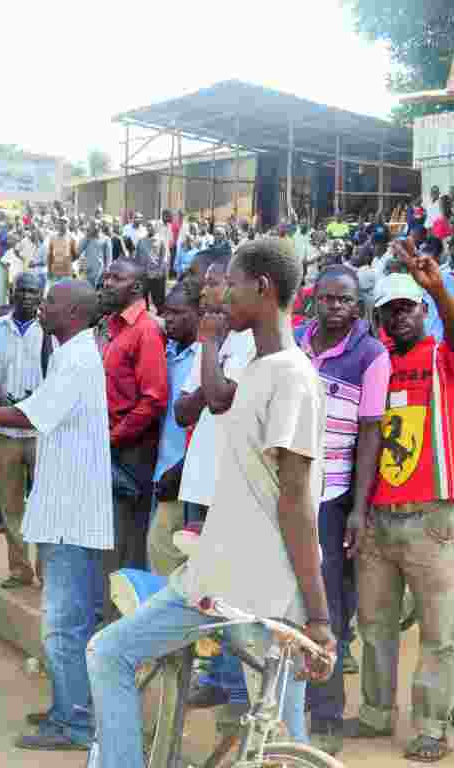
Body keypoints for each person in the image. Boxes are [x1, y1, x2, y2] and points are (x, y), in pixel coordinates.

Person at [87, 237, 335, 768]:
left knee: (283, 743)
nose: (220, 298)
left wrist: (319, 616)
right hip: (214, 577)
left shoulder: (293, 378)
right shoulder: (257, 370)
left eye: (234, 286)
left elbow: (295, 503)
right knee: (109, 651)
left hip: (263, 593)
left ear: (263, 289)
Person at [0, 280, 111, 751]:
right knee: (70, 622)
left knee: (62, 624)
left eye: (49, 300)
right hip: (68, 510)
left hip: (73, 514)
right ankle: (66, 709)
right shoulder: (73, 353)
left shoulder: (76, 358)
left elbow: (29, 416)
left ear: (70, 311)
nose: (40, 306)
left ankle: (74, 724)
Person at [347, 239, 454, 763]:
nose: (398, 317)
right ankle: (376, 713)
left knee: (438, 630)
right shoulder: (375, 365)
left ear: (423, 313)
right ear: (378, 318)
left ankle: (430, 726)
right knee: (374, 625)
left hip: (432, 519)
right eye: (389, 311)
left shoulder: (447, 360)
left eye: (407, 308)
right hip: (378, 519)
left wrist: (437, 287)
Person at [294, 265, 390, 756]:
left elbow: (370, 434)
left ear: (358, 306)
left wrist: (358, 508)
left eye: (345, 300)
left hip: (331, 499)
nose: (335, 307)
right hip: (287, 493)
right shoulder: (294, 341)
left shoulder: (370, 355)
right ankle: (285, 707)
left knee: (326, 608)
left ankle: (326, 712)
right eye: (327, 298)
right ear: (314, 300)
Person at [173, 250, 256, 718]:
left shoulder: (247, 344)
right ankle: (218, 678)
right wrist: (210, 364)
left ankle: (239, 690)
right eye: (204, 283)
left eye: (214, 282)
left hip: (232, 485)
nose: (205, 290)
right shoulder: (216, 342)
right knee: (203, 587)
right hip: (200, 481)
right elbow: (184, 411)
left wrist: (208, 350)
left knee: (234, 592)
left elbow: (221, 400)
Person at [0, 274, 47, 588]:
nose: (28, 296)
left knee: (45, 503)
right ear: (13, 293)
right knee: (10, 503)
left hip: (42, 431)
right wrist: (7, 406)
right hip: (5, 430)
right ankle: (20, 570)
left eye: (34, 292)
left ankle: (47, 572)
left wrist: (34, 405)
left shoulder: (51, 330)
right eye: (23, 290)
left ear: (41, 296)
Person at [99, 260, 168, 581]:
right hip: (113, 443)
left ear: (137, 288)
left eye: (117, 278)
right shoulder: (113, 327)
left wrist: (114, 437)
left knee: (126, 540)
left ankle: (120, 618)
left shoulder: (146, 330)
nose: (107, 282)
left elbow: (153, 398)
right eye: (107, 276)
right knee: (109, 537)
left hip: (131, 451)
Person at [145, 282, 200, 577]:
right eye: (167, 313)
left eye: (179, 313)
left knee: (165, 555)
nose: (170, 319)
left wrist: (179, 470)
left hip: (183, 476)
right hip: (160, 470)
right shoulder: (166, 351)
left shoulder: (204, 358)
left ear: (198, 314)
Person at [135, 221, 168, 312]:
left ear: (155, 228)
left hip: (156, 275)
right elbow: (137, 257)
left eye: (151, 226)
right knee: (142, 299)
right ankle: (144, 317)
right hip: (143, 274)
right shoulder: (141, 241)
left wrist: (159, 270)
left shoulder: (161, 240)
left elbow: (164, 257)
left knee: (158, 300)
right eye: (148, 226)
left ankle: (161, 317)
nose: (149, 228)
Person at [47, 219, 77, 293]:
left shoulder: (72, 237)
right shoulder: (52, 237)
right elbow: (50, 254)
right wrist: (49, 270)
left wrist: (68, 261)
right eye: (60, 223)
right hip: (55, 271)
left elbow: (76, 254)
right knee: (55, 292)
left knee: (66, 292)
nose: (61, 225)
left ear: (67, 225)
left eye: (64, 223)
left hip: (66, 271)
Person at [78, 222, 109, 289]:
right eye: (92, 227)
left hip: (99, 269)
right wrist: (86, 237)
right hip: (87, 269)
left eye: (95, 226)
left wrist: (107, 269)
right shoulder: (88, 238)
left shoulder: (106, 239)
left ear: (99, 227)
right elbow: (79, 250)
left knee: (94, 289)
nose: (93, 229)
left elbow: (108, 256)